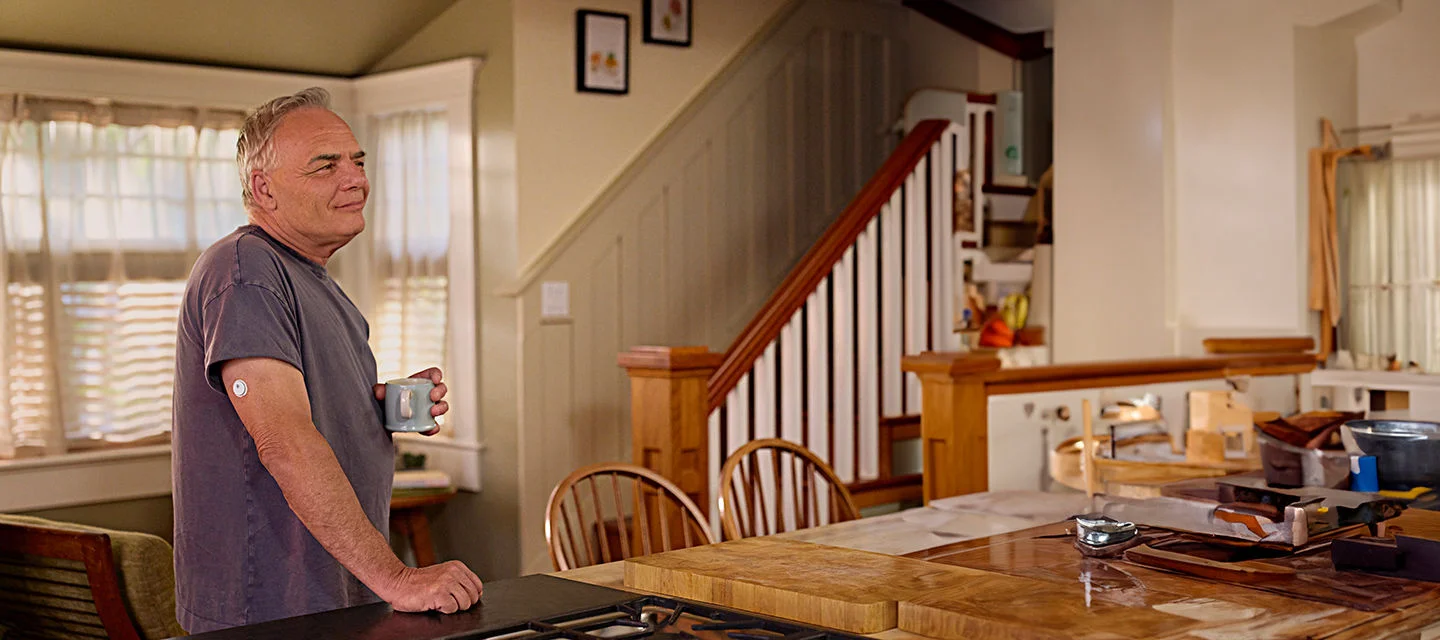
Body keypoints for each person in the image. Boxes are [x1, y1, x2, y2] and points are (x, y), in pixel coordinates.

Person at [171, 87, 482, 633]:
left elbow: (299, 413)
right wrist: (400, 579)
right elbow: (284, 441)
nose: (356, 179)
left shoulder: (315, 283)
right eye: (325, 165)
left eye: (357, 161)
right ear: (263, 188)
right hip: (270, 611)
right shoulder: (244, 272)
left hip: (331, 599)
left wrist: (378, 410)